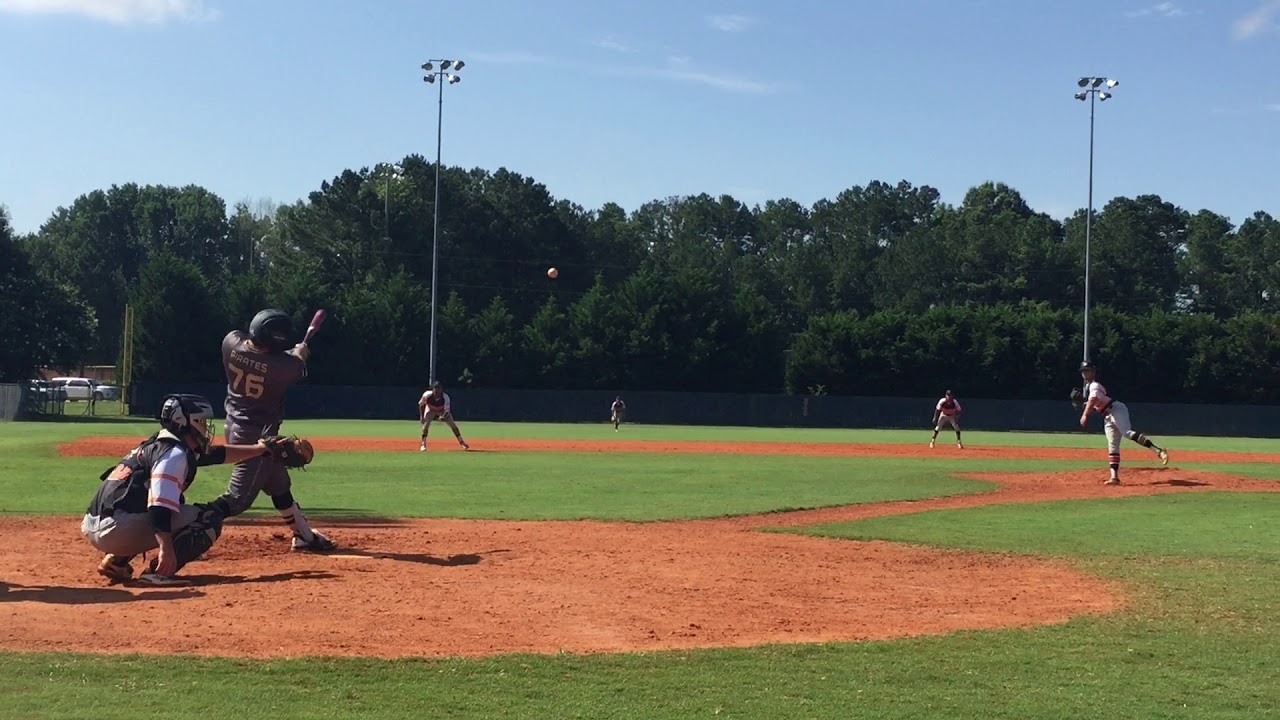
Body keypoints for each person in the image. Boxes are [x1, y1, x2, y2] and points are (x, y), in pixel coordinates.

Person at [83, 394, 276, 586]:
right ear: (184, 422)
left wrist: (260, 449)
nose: (205, 426)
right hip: (117, 529)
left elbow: (217, 455)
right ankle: (159, 573)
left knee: (163, 503)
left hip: (98, 524)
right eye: (200, 421)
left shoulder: (159, 444)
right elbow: (158, 508)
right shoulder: (174, 454)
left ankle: (117, 561)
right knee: (207, 517)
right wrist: (166, 550)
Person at [209, 309, 336, 552]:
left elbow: (264, 357)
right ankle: (182, 526)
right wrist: (300, 352)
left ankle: (304, 536)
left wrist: (289, 354)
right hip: (256, 437)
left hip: (234, 424)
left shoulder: (230, 342)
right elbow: (293, 363)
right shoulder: (286, 367)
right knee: (237, 500)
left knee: (278, 483)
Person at [1078, 360, 1170, 485]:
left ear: (1093, 372)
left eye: (1087, 370)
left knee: (1127, 432)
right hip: (1108, 415)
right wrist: (1086, 406)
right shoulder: (1088, 387)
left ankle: (1159, 451)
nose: (1085, 373)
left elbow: (1094, 399)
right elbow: (1097, 405)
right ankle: (1114, 478)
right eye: (1083, 371)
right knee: (1112, 445)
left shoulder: (1094, 385)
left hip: (1116, 409)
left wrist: (1085, 414)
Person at [418, 381, 470, 452]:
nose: (437, 391)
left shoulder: (445, 397)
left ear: (441, 389)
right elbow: (421, 404)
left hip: (442, 410)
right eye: (435, 388)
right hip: (431, 409)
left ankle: (462, 442)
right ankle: (423, 444)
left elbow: (447, 411)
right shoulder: (427, 395)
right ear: (432, 389)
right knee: (426, 425)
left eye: (438, 388)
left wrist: (443, 417)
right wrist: (421, 416)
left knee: (453, 426)